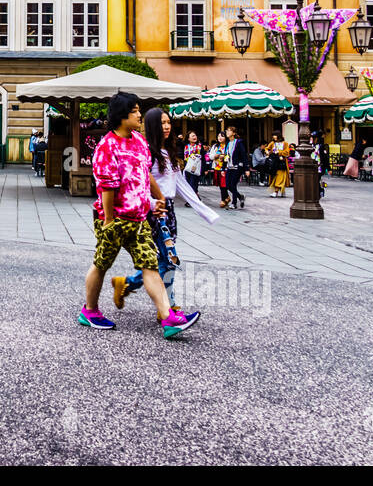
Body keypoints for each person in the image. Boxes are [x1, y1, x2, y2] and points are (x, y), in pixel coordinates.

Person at [78, 92, 196, 338]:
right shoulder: (107, 147)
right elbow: (107, 186)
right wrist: (108, 221)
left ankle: (168, 318)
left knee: (150, 265)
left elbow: (145, 174)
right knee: (101, 264)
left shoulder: (140, 142)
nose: (139, 115)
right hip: (114, 219)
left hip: (139, 218)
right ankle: (89, 311)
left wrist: (157, 198)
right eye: (135, 111)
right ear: (122, 116)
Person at [117, 107, 214, 315]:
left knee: (160, 260)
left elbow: (181, 185)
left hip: (168, 210)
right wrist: (153, 205)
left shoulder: (168, 152)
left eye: (169, 122)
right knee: (169, 258)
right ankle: (168, 307)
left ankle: (128, 283)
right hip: (154, 211)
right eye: (162, 123)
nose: (167, 126)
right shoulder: (148, 153)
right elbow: (140, 184)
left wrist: (204, 211)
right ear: (152, 125)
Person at [224, 125, 248, 209]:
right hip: (229, 166)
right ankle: (240, 196)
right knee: (228, 185)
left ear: (234, 133)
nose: (227, 132)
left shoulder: (238, 142)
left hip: (237, 166)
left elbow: (244, 155)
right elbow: (226, 155)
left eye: (229, 131)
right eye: (227, 130)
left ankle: (234, 203)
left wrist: (246, 169)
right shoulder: (227, 143)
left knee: (233, 184)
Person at [267, 132, 289, 197]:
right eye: (273, 136)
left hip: (282, 162)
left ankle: (276, 192)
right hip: (274, 162)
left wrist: (279, 152)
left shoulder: (285, 143)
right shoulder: (272, 143)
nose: (274, 137)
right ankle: (282, 190)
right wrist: (268, 152)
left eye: (275, 135)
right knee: (274, 176)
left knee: (280, 176)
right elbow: (267, 149)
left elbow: (287, 152)